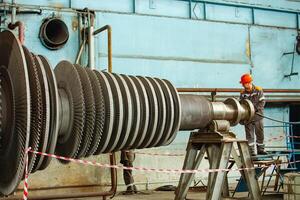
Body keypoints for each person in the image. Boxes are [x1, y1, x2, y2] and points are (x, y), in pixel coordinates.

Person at [239, 73, 268, 155]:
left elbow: (262, 102)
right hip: (248, 118)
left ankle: (261, 150)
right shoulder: (242, 93)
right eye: (243, 84)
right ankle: (251, 152)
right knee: (249, 135)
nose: (244, 86)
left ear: (249, 83)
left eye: (245, 84)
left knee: (260, 133)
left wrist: (255, 109)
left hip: (258, 116)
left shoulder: (258, 90)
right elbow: (241, 104)